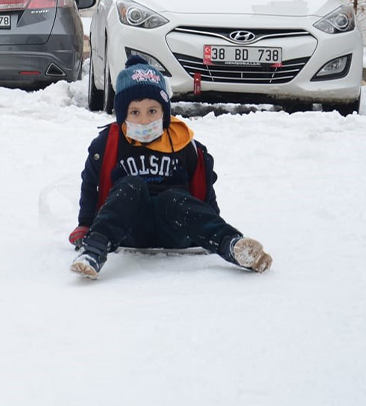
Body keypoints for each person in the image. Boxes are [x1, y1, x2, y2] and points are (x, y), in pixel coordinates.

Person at [68, 55, 273, 279]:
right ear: (122, 115)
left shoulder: (184, 143)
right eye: (135, 112)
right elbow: (90, 184)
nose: (145, 120)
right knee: (131, 186)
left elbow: (203, 188)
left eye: (152, 111)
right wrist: (85, 223)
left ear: (165, 112)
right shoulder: (108, 144)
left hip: (176, 227)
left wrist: (209, 220)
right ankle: (94, 251)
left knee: (172, 197)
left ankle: (232, 245)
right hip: (129, 228)